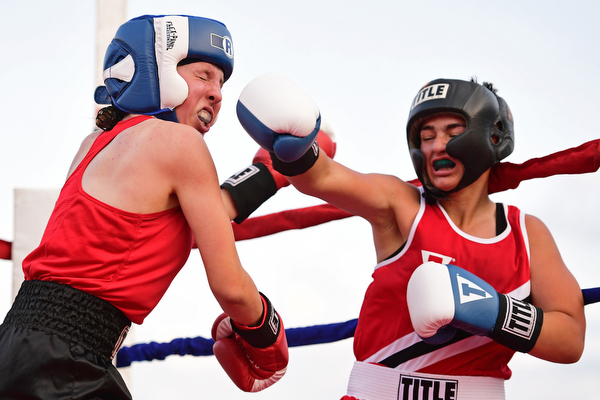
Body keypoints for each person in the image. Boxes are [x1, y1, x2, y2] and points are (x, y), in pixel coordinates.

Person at [236, 73, 586, 399]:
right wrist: (297, 149)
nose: (436, 147)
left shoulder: (526, 233)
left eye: (453, 131)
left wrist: (494, 312)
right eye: (427, 136)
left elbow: (570, 339)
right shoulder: (402, 204)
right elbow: (324, 177)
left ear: (491, 137)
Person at [0, 15, 288, 399]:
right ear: (159, 70)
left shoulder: (94, 145)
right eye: (204, 75)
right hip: (67, 364)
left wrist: (268, 174)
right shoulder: (182, 146)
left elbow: (202, 210)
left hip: (15, 345)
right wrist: (267, 333)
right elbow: (231, 288)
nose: (217, 93)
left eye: (221, 82)